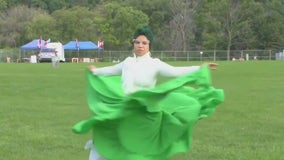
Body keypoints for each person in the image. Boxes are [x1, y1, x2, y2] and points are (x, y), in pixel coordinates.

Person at [72, 26, 224, 160]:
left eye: (144, 43)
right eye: (137, 42)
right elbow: (110, 71)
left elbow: (176, 72)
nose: (140, 46)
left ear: (149, 46)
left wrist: (199, 68)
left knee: (140, 147)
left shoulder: (155, 64)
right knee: (106, 131)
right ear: (133, 43)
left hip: (144, 112)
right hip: (126, 107)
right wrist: (95, 71)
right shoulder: (127, 62)